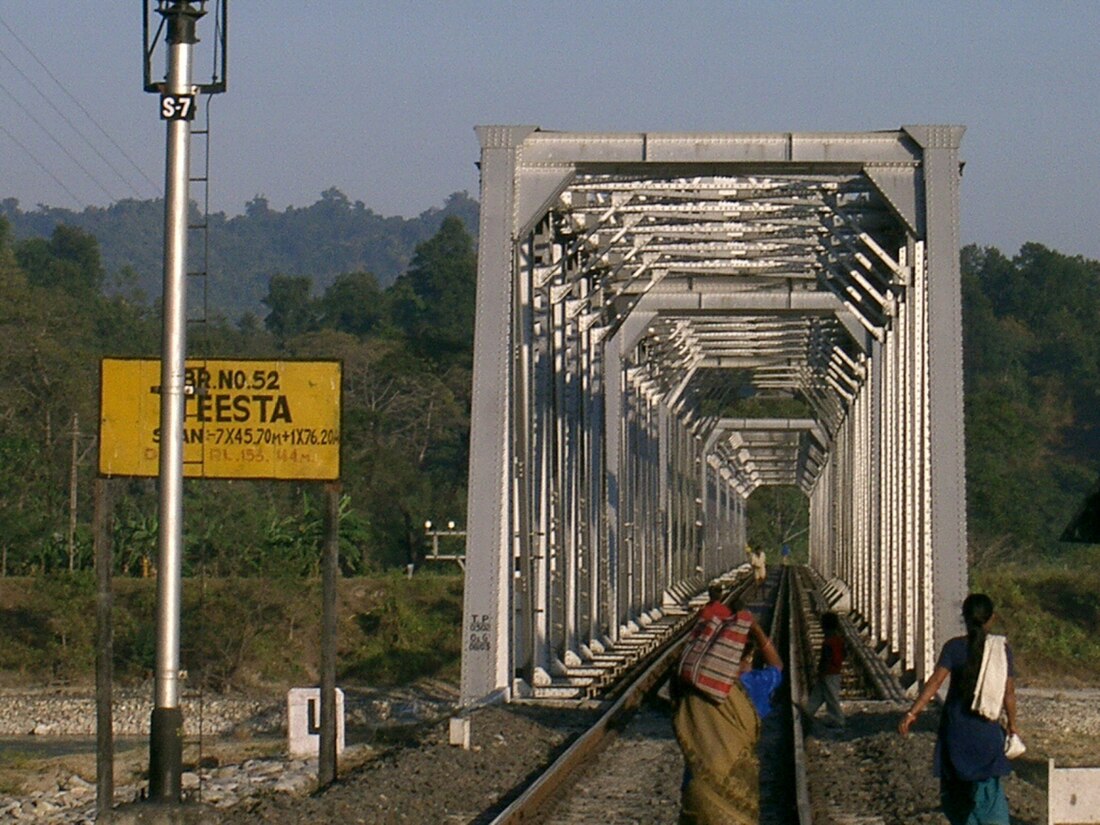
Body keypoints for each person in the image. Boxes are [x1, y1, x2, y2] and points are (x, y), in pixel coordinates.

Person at [898, 593, 1019, 825]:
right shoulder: (1001, 650)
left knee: (958, 797)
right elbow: (1009, 694)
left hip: (956, 732)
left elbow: (934, 683)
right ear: (991, 618)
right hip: (986, 733)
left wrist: (912, 713)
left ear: (964, 617)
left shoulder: (953, 648)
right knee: (989, 797)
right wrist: (1013, 727)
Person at [673, 606, 783, 824]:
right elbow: (777, 666)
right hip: (735, 789)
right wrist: (757, 631)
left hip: (698, 788)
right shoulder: (753, 686)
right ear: (748, 656)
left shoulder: (693, 691)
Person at [802, 611, 846, 729]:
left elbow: (825, 659)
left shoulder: (828, 642)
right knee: (818, 694)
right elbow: (844, 654)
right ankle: (807, 712)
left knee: (831, 697)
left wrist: (821, 671)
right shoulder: (839, 640)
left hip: (829, 673)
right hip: (835, 672)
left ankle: (838, 719)